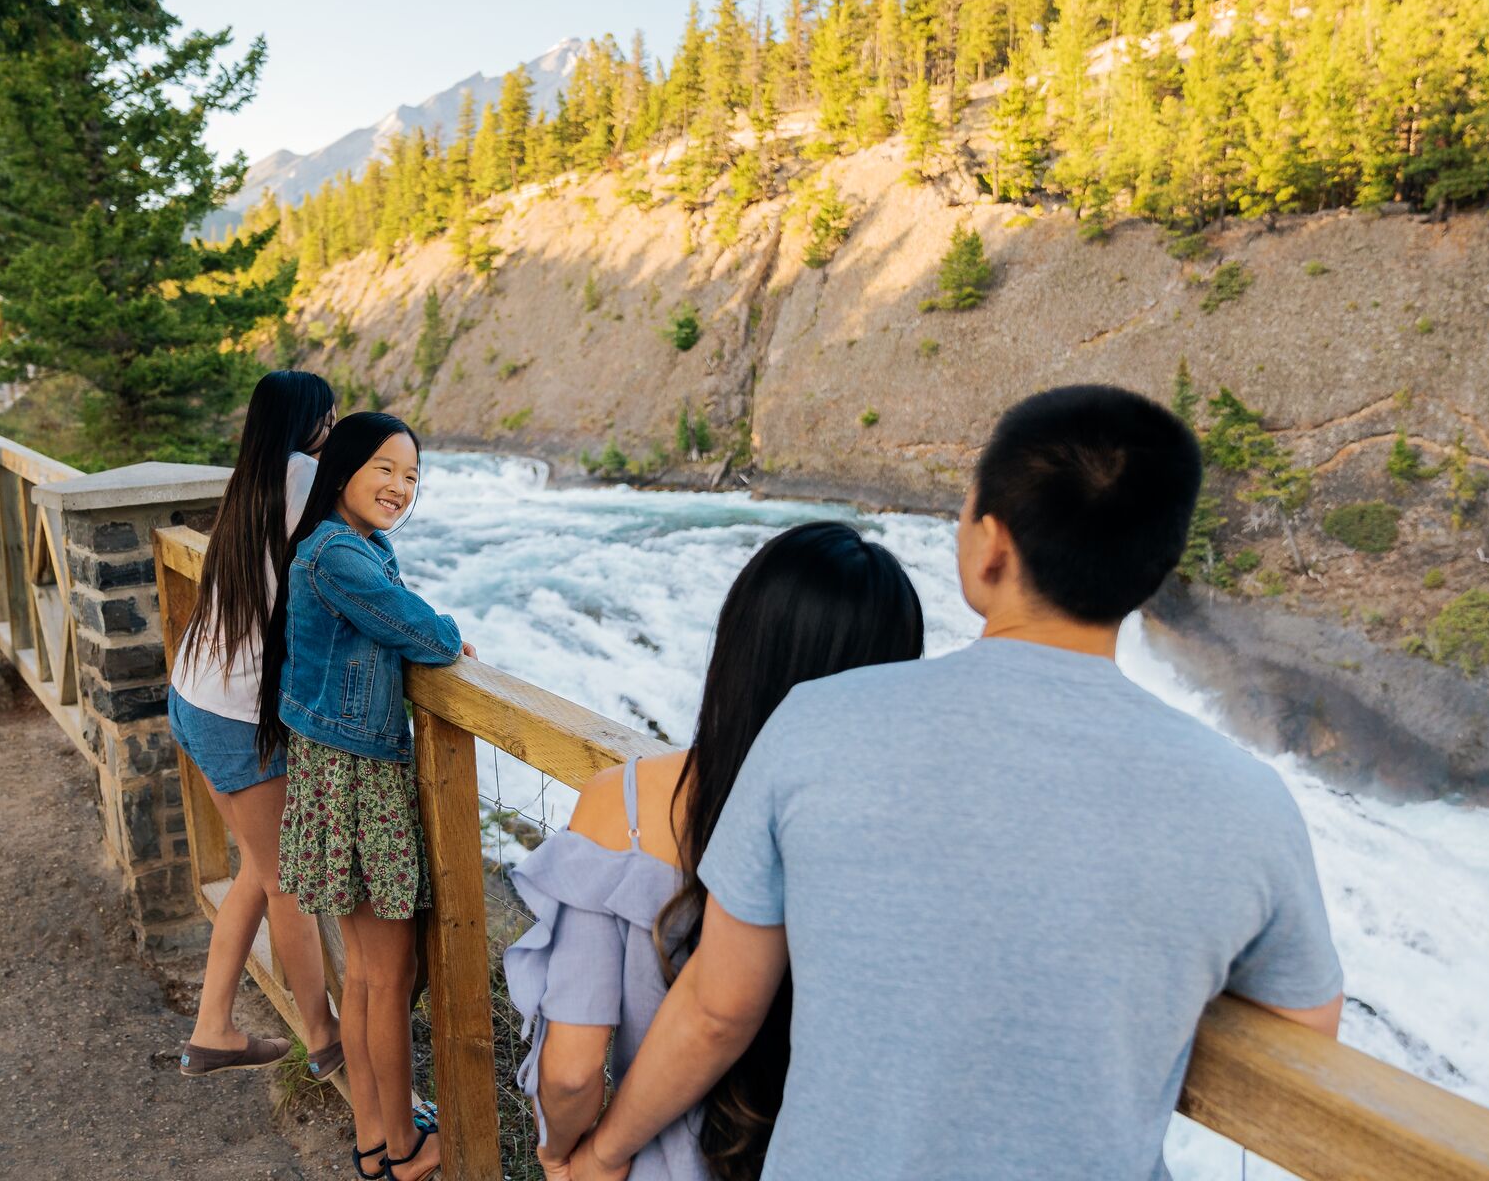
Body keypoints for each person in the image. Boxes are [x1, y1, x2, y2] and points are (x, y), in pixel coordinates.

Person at [567, 384, 1346, 1181]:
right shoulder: (1250, 803)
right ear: (1153, 570)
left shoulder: (817, 723)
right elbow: (1307, 1034)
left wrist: (605, 1149)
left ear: (990, 545)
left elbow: (717, 1009)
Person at [506, 522, 925, 1181]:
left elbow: (570, 1071)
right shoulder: (910, 836)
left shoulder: (625, 804)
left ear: (739, 647)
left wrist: (569, 1154)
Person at [256, 411, 473, 1181]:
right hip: (358, 781)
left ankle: (376, 1135)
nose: (400, 487)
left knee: (370, 977)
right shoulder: (338, 557)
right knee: (387, 976)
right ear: (342, 467)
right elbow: (434, 639)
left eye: (412, 477)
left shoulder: (349, 547)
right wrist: (446, 633)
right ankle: (405, 1153)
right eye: (385, 468)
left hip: (340, 773)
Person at [170, 371, 339, 1082]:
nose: (333, 432)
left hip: (196, 694)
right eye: (328, 420)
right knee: (287, 881)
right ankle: (327, 1040)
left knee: (257, 867)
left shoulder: (252, 479)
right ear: (308, 424)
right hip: (235, 716)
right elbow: (356, 558)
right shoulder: (305, 475)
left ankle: (213, 1030)